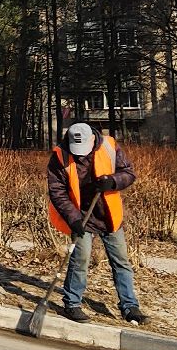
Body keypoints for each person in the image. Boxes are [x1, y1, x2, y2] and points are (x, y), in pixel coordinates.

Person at [46, 122, 145, 324]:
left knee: (121, 261)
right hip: (79, 215)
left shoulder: (109, 145)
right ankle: (72, 304)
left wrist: (113, 180)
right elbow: (57, 192)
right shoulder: (60, 155)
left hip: (108, 214)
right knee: (80, 259)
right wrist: (73, 218)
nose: (81, 155)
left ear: (93, 139)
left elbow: (129, 173)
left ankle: (130, 306)